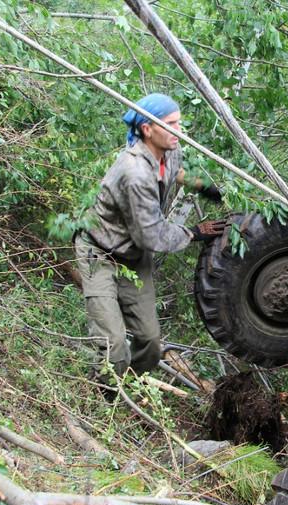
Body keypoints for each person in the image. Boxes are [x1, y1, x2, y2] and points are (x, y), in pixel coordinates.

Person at [75, 93, 225, 380]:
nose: (178, 132)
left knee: (150, 342)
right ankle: (105, 394)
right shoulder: (134, 173)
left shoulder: (168, 151)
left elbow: (174, 171)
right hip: (100, 253)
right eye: (171, 125)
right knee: (113, 344)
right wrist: (193, 233)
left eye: (179, 123)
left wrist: (202, 185)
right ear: (148, 129)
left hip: (131, 257)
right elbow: (150, 235)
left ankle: (129, 384)